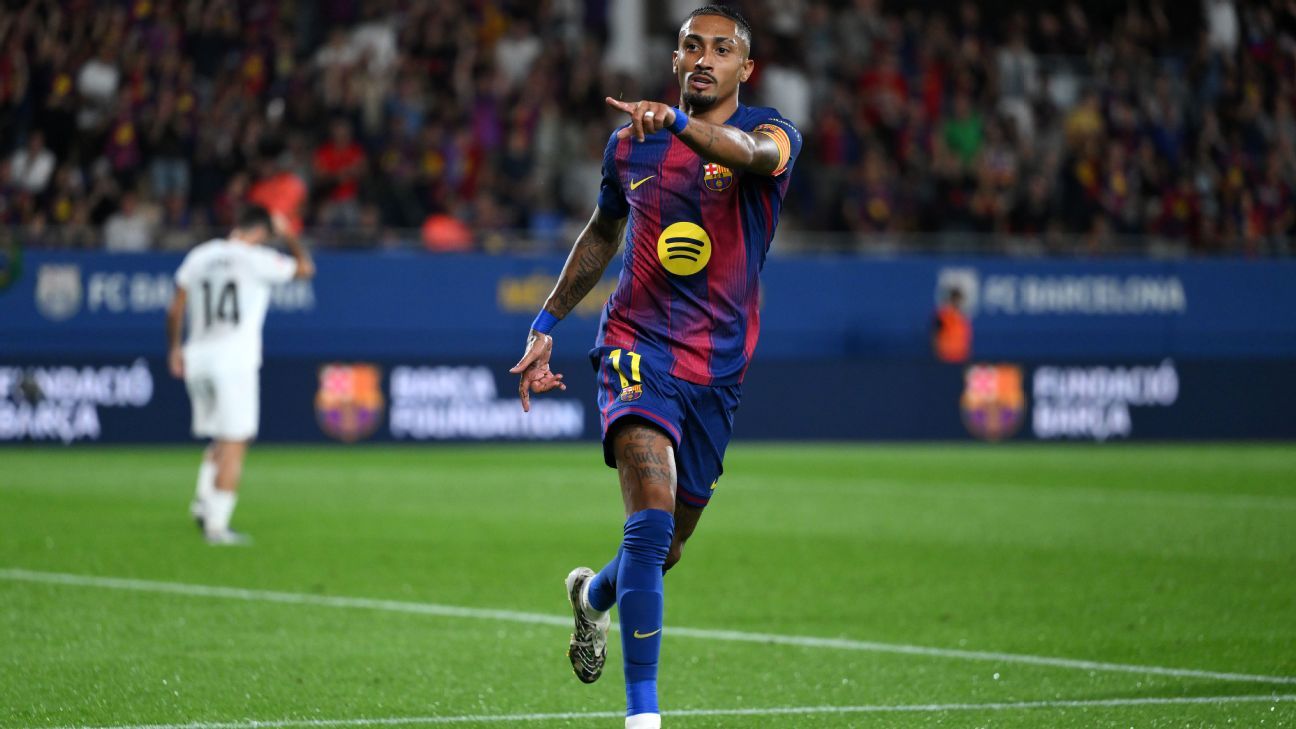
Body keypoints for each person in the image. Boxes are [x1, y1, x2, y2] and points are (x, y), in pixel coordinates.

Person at [508, 7, 801, 728]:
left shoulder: (773, 134)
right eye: (691, 46)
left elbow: (749, 155)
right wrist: (546, 321)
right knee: (648, 522)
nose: (704, 58)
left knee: (666, 546)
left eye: (721, 49)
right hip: (635, 346)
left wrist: (675, 124)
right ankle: (644, 718)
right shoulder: (629, 147)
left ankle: (592, 598)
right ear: (674, 61)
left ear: (745, 69)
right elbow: (603, 230)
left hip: (718, 369)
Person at [166, 205, 315, 545]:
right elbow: (306, 269)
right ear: (261, 232)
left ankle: (203, 503)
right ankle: (217, 527)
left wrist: (174, 348)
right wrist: (289, 236)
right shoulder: (256, 259)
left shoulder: (200, 255)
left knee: (221, 437)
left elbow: (175, 309)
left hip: (197, 357)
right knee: (235, 441)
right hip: (233, 360)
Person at [932, 287, 972, 363]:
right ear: (951, 300)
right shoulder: (943, 316)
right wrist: (937, 355)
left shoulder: (963, 318)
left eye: (959, 300)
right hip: (945, 357)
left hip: (961, 357)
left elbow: (966, 339)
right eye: (955, 300)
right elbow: (935, 336)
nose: (958, 303)